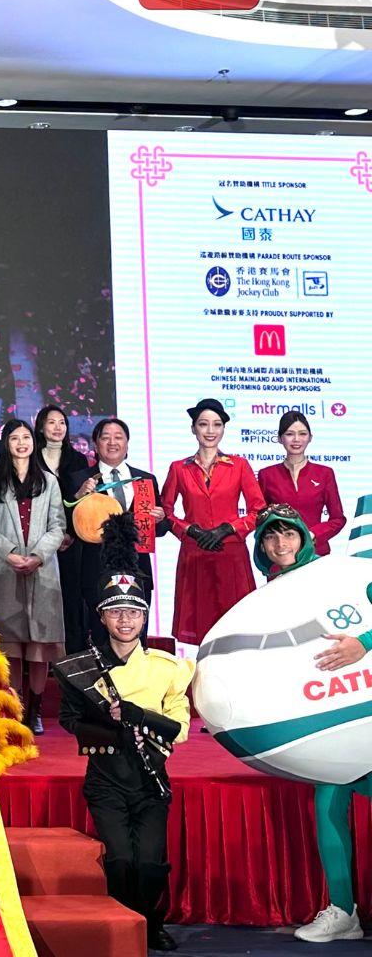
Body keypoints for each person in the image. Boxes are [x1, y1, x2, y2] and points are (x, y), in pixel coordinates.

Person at [55, 516, 192, 954]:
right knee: (118, 859)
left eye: (133, 612)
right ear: (103, 616)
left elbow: (180, 729)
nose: (125, 620)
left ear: (144, 616)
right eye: (116, 611)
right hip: (106, 777)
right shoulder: (81, 668)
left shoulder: (168, 668)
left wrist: (135, 715)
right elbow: (69, 719)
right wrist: (109, 728)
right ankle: (124, 927)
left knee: (150, 862)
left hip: (151, 779)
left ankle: (150, 925)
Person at [249, 505, 372, 943]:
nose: (280, 544)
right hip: (326, 717)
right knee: (328, 803)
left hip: (364, 704)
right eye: (270, 537)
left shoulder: (335, 574)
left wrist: (364, 643)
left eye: (289, 534)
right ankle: (343, 911)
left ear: (305, 537)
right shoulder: (267, 594)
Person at [160, 399, 266, 646]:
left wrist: (228, 528)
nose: (210, 431)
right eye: (203, 424)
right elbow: (165, 512)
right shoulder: (179, 468)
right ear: (193, 429)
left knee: (236, 627)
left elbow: (258, 510)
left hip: (231, 554)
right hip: (195, 554)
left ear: (223, 429)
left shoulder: (239, 465)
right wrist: (190, 530)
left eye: (217, 425)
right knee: (199, 628)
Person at [0, 419, 65, 733]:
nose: (21, 443)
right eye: (14, 438)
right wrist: (11, 553)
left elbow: (58, 526)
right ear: (6, 443)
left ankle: (35, 711)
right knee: (12, 647)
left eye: (26, 437)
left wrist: (38, 556)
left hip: (43, 572)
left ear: (34, 442)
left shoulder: (49, 481)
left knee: (39, 648)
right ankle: (15, 707)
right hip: (5, 570)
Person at [67, 419, 167, 650]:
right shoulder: (80, 479)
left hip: (138, 569)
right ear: (96, 443)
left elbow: (160, 531)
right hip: (96, 571)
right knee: (99, 637)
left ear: (127, 443)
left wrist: (161, 519)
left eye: (118, 437)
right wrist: (78, 497)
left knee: (137, 637)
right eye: (105, 437)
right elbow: (69, 528)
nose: (112, 442)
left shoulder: (145, 479)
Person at [257, 410, 345, 558]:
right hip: (281, 555)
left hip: (316, 552)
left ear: (310, 438)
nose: (296, 439)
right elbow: (260, 518)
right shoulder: (266, 475)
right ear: (279, 438)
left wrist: (312, 534)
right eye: (290, 434)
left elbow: (338, 519)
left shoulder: (325, 473)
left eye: (303, 434)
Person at [35, 404, 88, 652]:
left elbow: (83, 502)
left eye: (62, 422)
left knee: (71, 596)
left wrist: (69, 533)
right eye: (51, 422)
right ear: (41, 427)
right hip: (38, 541)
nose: (58, 428)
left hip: (71, 539)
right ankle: (42, 656)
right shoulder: (31, 458)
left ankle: (74, 654)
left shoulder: (77, 459)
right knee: (42, 597)